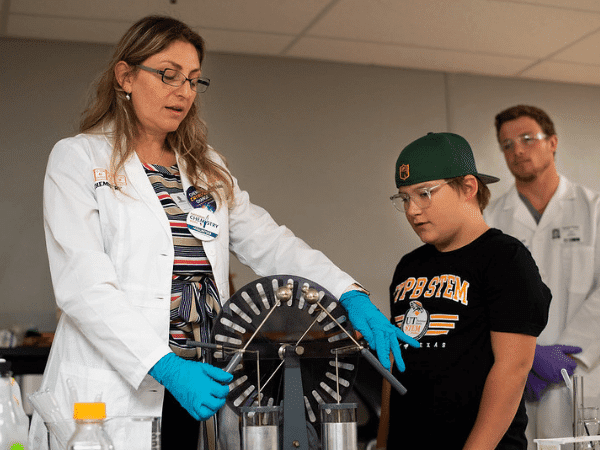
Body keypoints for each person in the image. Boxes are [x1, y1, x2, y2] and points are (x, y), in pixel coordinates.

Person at [28, 15, 418, 449]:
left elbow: (271, 244)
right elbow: (83, 285)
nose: (183, 91)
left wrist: (347, 293)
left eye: (194, 80)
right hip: (121, 386)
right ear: (126, 76)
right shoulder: (78, 158)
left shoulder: (204, 167)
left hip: (203, 381)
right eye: (168, 75)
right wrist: (165, 366)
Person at [387, 132, 551, 449]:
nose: (412, 210)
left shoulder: (505, 258)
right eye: (404, 198)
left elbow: (513, 368)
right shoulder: (409, 267)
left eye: (424, 194)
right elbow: (397, 362)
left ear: (468, 187)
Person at [484, 104, 600, 447]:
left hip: (583, 372)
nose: (517, 150)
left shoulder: (593, 210)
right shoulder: (490, 220)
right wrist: (529, 355)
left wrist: (572, 351)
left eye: (527, 139)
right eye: (507, 144)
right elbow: (484, 298)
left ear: (552, 142)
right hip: (516, 373)